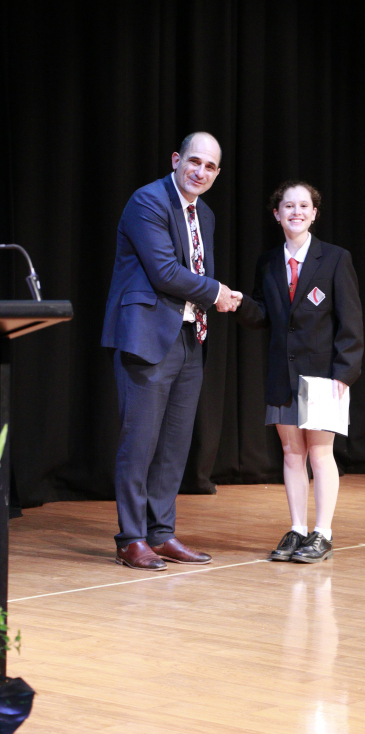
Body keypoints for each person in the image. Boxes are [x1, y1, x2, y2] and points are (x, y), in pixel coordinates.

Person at [101, 132, 239, 570]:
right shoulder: (148, 201)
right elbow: (163, 271)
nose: (201, 171)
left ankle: (161, 533)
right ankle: (131, 538)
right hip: (147, 335)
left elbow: (195, 269)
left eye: (210, 167)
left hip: (189, 336)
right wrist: (216, 292)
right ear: (177, 159)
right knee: (139, 441)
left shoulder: (205, 214)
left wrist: (214, 297)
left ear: (217, 173)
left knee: (174, 444)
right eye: (194, 161)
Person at [234, 181, 363, 563]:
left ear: (314, 213)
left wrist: (344, 372)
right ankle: (297, 529)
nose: (296, 212)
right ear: (277, 214)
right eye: (288, 206)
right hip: (282, 373)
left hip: (323, 375)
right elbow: (264, 314)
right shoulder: (268, 262)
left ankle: (323, 532)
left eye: (304, 206)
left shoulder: (335, 258)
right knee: (292, 454)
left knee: (320, 453)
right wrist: (239, 303)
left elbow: (351, 322)